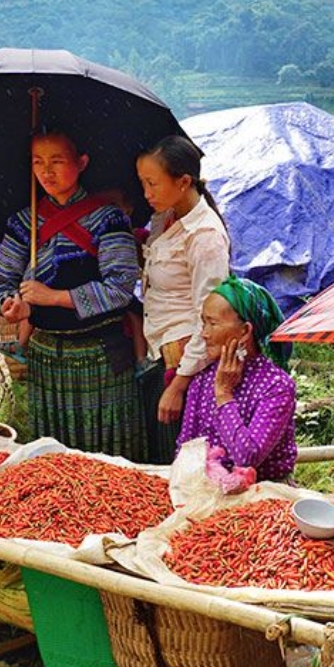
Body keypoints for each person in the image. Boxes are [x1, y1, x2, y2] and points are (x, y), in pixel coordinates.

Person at [0, 131, 142, 460]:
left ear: (81, 162)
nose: (46, 171)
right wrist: (10, 304)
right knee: (53, 451)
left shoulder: (109, 218)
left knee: (107, 450)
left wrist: (54, 297)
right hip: (45, 356)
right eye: (37, 162)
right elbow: (3, 279)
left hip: (101, 354)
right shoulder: (23, 223)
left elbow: (120, 287)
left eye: (57, 161)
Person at [137, 134, 231, 464]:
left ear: (184, 181)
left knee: (178, 460)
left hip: (182, 362)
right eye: (142, 183)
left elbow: (211, 322)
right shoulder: (165, 217)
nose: (146, 193)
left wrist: (178, 385)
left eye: (152, 183)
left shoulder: (204, 237)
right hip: (159, 349)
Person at [175, 275, 296, 482]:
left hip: (265, 495)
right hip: (208, 490)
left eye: (212, 323)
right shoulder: (202, 380)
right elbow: (185, 449)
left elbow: (247, 458)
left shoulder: (276, 386)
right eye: (203, 323)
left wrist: (223, 394)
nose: (204, 334)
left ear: (245, 331)